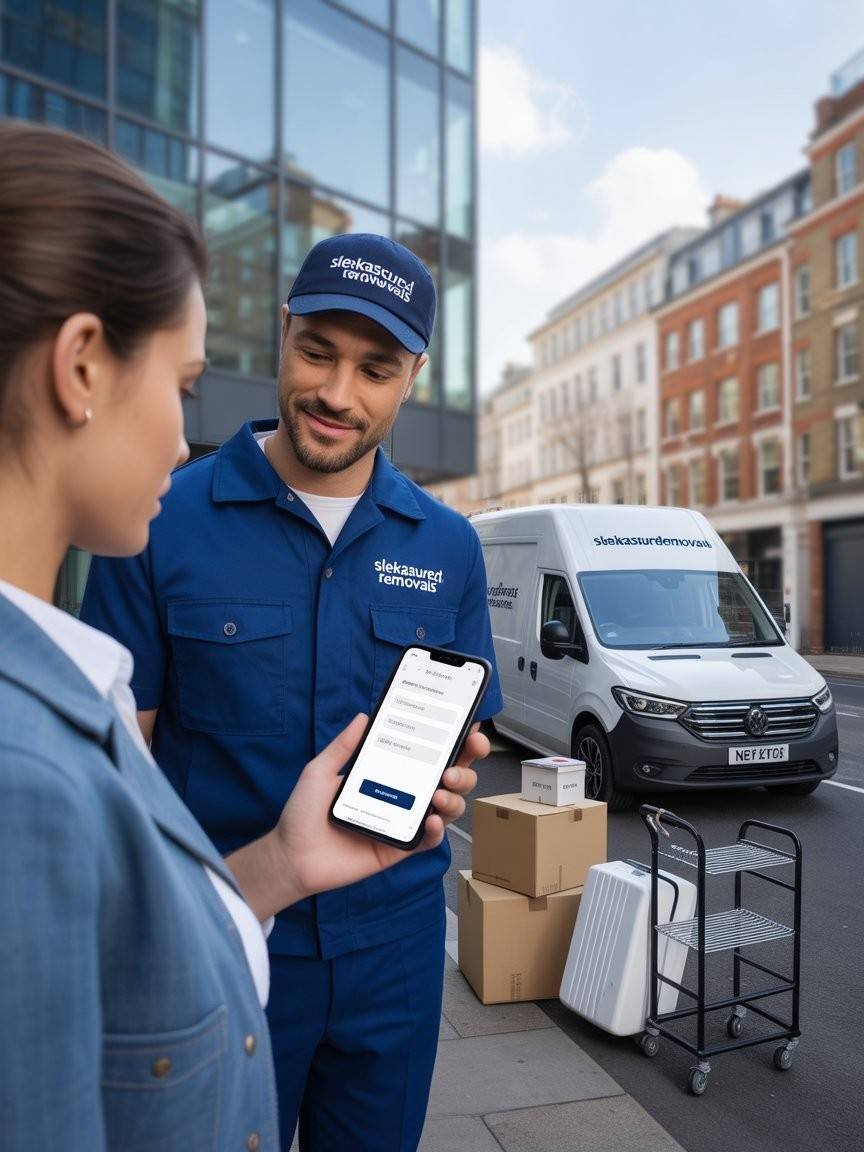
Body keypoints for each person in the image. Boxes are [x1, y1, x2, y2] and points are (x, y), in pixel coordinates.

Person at [0, 121, 488, 1151]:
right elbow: (113, 758)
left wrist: (448, 773)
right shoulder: (153, 514)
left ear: (413, 378)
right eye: (316, 352)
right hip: (220, 926)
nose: (336, 393)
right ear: (282, 331)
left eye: (375, 369)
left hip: (394, 944)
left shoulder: (449, 545)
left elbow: (465, 721)